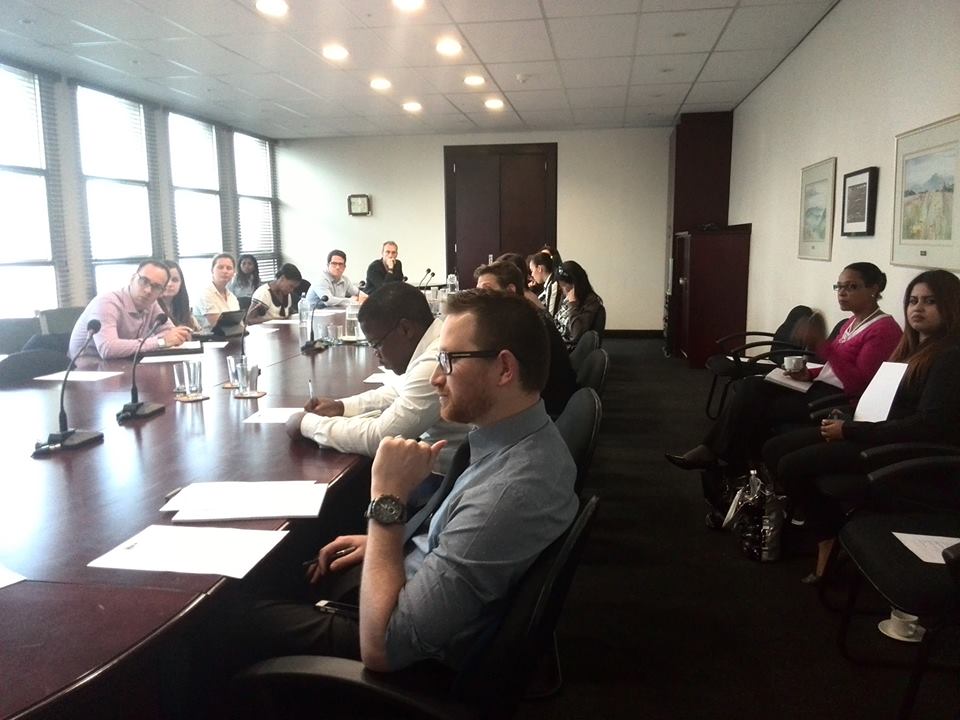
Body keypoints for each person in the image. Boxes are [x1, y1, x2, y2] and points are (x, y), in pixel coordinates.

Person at [243, 289, 577, 672]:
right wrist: (389, 544)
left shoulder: (508, 493)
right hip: (412, 588)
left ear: (504, 369)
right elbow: (454, 536)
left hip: (402, 653)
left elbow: (385, 647)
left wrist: (387, 501)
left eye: (449, 361)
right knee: (284, 567)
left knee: (235, 612)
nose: (436, 378)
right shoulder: (515, 440)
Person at [763, 269, 960, 583]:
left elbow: (926, 425)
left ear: (951, 306)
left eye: (930, 301)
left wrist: (851, 431)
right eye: (913, 301)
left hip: (898, 449)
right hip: (872, 430)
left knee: (791, 464)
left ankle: (828, 539)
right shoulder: (910, 349)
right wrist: (849, 417)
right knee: (775, 448)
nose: (918, 308)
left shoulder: (949, 358)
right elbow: (884, 400)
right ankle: (822, 527)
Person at [666, 262, 903, 474]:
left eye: (851, 287)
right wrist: (807, 373)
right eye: (839, 286)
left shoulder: (883, 330)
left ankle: (730, 462)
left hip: (838, 399)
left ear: (873, 289)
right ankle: (721, 456)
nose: (842, 293)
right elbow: (834, 368)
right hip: (822, 386)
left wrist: (822, 345)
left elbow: (859, 384)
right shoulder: (851, 322)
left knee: (757, 404)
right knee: (752, 386)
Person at [286, 282, 470, 474]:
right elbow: (398, 391)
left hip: (446, 478)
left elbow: (381, 437)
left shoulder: (434, 361)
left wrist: (307, 424)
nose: (376, 353)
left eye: (376, 343)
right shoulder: (434, 342)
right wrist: (341, 407)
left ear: (405, 329)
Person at [474, 260, 578, 416]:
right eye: (478, 291)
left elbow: (507, 379)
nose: (479, 297)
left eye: (486, 290)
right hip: (549, 399)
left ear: (510, 291)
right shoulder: (524, 313)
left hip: (548, 409)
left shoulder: (525, 325)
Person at [68, 259, 192, 359]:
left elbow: (171, 333)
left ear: (161, 292)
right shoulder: (107, 302)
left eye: (156, 287)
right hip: (87, 368)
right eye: (143, 281)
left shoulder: (151, 304)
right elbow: (108, 348)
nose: (148, 290)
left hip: (123, 363)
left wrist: (170, 338)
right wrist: (160, 342)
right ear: (132, 279)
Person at [554, 260, 604, 351]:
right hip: (557, 344)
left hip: (569, 350)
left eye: (563, 285)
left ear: (574, 285)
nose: (561, 288)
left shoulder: (591, 302)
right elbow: (557, 322)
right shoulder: (565, 297)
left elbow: (576, 334)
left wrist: (573, 305)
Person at [196, 253, 240, 328]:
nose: (225, 271)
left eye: (229, 268)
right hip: (210, 335)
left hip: (232, 334)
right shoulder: (205, 294)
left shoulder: (232, 297)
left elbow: (239, 323)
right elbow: (218, 325)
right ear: (212, 270)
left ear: (233, 273)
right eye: (220, 267)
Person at [158, 260, 200, 330]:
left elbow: (196, 331)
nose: (169, 284)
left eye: (175, 280)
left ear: (181, 284)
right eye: (165, 279)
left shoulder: (183, 307)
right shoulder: (150, 308)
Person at [528, 251, 560, 316]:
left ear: (539, 268)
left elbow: (550, 315)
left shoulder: (553, 285)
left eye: (532, 271)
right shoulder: (549, 284)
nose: (532, 275)